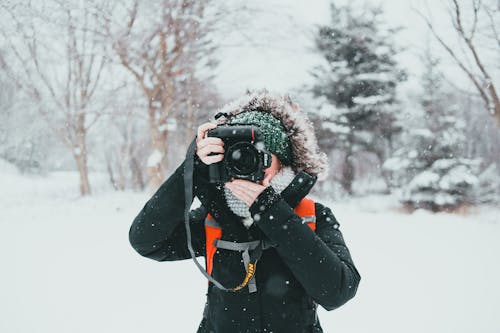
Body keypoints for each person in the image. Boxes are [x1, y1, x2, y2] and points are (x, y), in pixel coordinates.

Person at [129, 90, 361, 333]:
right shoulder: (217, 216)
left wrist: (271, 210)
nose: (244, 163)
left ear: (282, 161)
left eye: (259, 156)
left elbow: (338, 291)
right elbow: (147, 241)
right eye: (236, 155)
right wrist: (191, 170)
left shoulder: (312, 215)